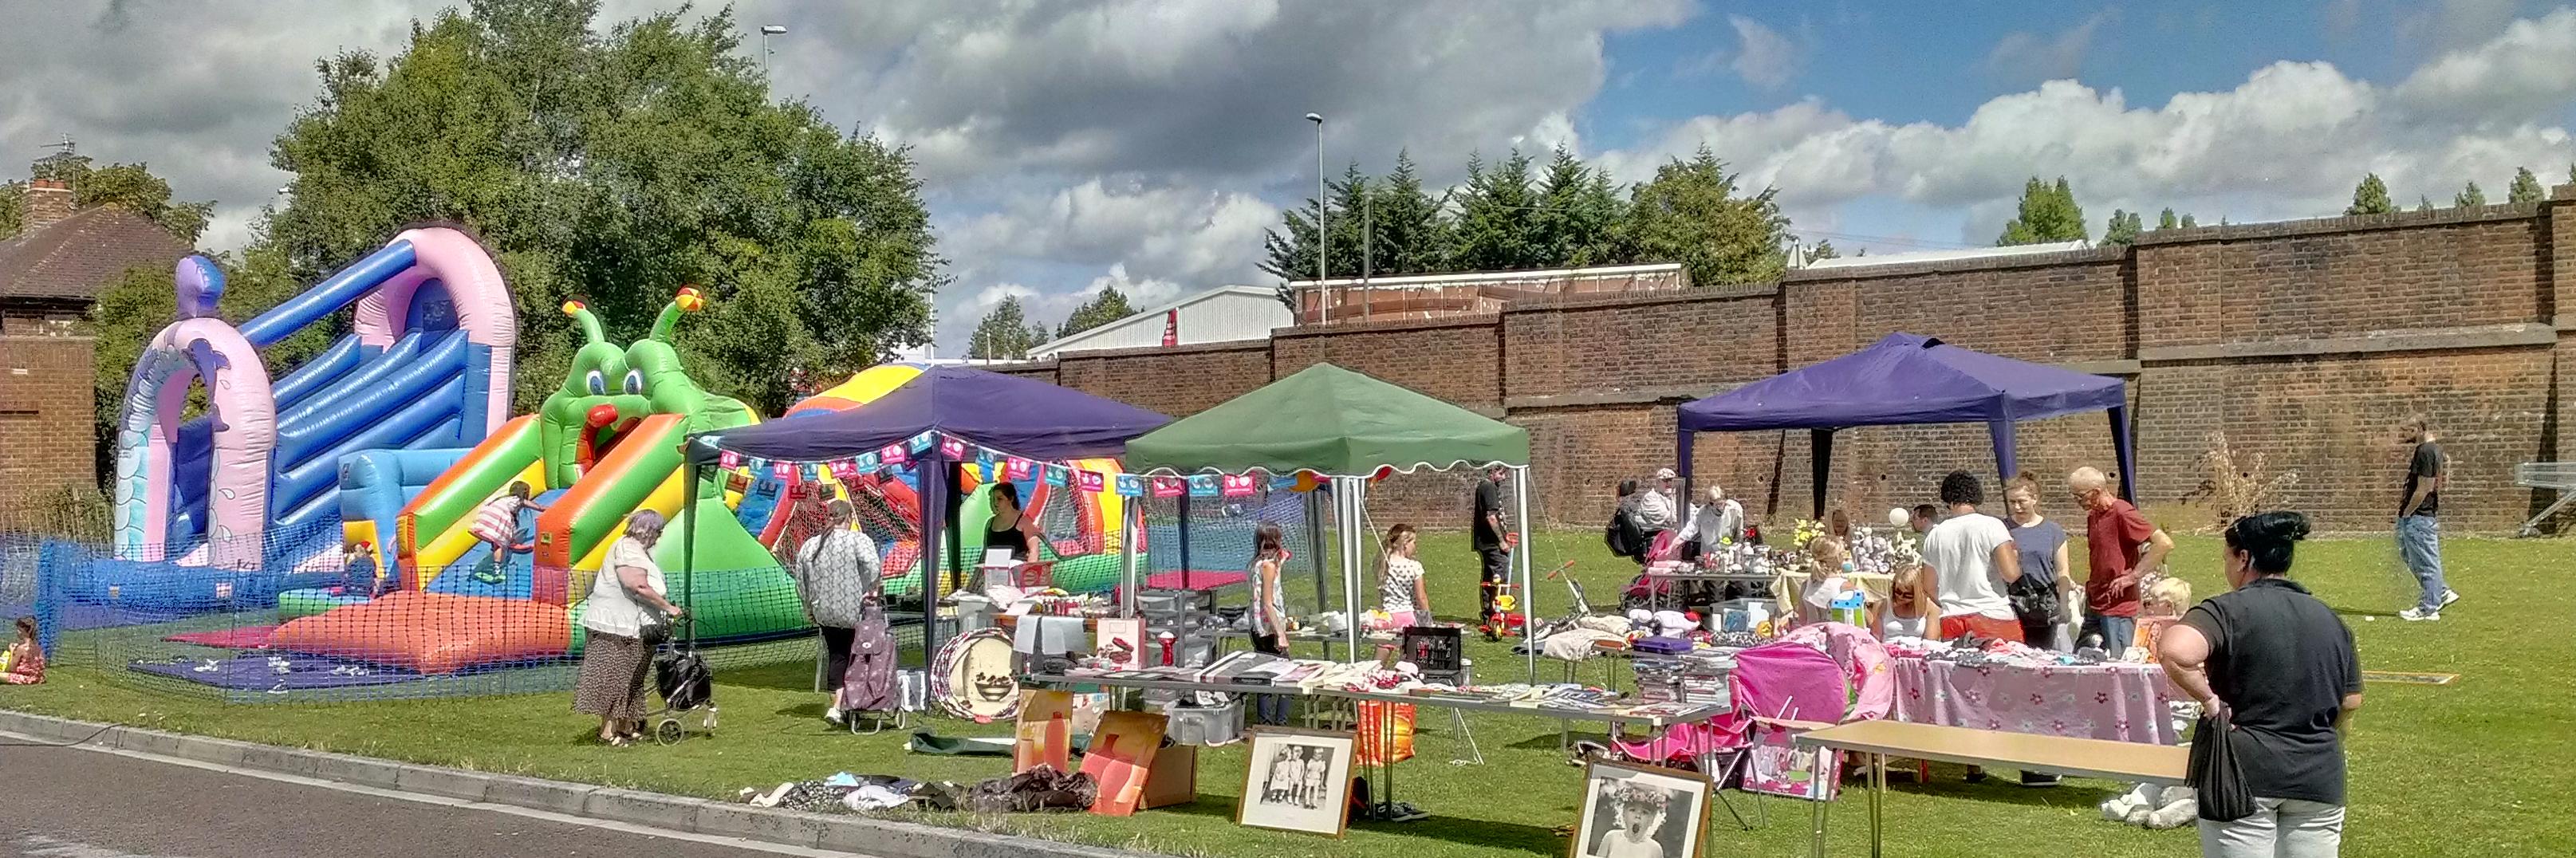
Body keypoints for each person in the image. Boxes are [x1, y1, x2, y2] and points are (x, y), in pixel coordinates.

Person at [2160, 512, 2361, 858]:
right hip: (2318, 776)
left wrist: (2209, 701)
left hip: (2242, 773)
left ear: (2243, 558)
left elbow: (2175, 652)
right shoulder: (2330, 618)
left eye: (2226, 558)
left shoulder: (2224, 611)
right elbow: (2350, 701)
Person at [573, 511, 686, 745]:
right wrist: (669, 608)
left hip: (635, 629)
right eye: (658, 532)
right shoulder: (627, 549)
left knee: (632, 679)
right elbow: (637, 586)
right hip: (616, 627)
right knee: (615, 679)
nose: (659, 537)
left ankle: (627, 725)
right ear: (648, 531)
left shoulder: (638, 551)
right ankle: (607, 732)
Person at [794, 499, 881, 725]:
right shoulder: (859, 540)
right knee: (857, 655)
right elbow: (873, 567)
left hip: (824, 611)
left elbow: (801, 581)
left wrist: (808, 608)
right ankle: (848, 704)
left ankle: (837, 707)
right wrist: (870, 589)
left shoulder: (811, 545)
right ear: (849, 518)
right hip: (854, 610)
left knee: (836, 655)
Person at [2069, 466, 2174, 652]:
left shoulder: (2123, 513)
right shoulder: (2093, 515)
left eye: (2080, 496)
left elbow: (2164, 543)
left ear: (2096, 492)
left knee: (2119, 660)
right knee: (2083, 656)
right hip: (2095, 601)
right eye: (2073, 496)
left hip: (2118, 606)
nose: (2076, 501)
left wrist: (2133, 577)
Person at [1920, 470, 2023, 642]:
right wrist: (2016, 556)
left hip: (1952, 618)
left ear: (1948, 500)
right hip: (1992, 614)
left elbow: (1929, 586)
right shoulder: (1992, 525)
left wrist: (1952, 603)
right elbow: (2011, 574)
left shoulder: (1934, 535)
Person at [2003, 474, 2078, 651]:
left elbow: (2062, 571)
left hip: (2044, 606)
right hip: (2011, 604)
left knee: (2041, 656)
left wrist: (2064, 604)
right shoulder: (2001, 528)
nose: (2017, 507)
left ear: (2034, 499)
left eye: (2021, 501)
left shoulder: (2053, 531)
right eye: (2012, 502)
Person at [2394, 415, 2458, 621]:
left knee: (2426, 562)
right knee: (2410, 555)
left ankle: (2429, 607)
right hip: (2419, 516)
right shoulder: (2434, 450)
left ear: (2419, 428)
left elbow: (2425, 487)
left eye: (2407, 430)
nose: (2404, 435)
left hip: (2419, 516)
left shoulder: (2426, 451)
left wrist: (2408, 512)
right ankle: (2441, 591)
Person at [1247, 523, 1291, 725]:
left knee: (1264, 674)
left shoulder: (1257, 564)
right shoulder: (1268, 567)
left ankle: (1264, 721)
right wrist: (1280, 633)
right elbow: (1267, 603)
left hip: (1257, 628)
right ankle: (1279, 722)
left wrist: (1280, 561)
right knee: (1287, 677)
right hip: (1269, 629)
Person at [468, 482, 546, 581]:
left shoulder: (504, 498)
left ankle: (499, 543)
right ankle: (496, 571)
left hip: (488, 514)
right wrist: (554, 510)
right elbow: (540, 508)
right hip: (500, 515)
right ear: (525, 492)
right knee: (500, 543)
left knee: (496, 538)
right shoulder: (520, 500)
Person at [1471, 464, 1512, 626]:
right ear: (1492, 472)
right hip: (1491, 543)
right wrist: (1501, 541)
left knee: (1490, 577)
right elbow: (1491, 517)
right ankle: (1497, 614)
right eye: (1501, 473)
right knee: (1499, 577)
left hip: (1487, 542)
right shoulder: (1488, 488)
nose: (1504, 477)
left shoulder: (1485, 486)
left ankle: (1490, 614)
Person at [1676, 484, 1746, 558]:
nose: (1719, 508)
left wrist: (1733, 549)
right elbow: (1691, 528)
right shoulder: (1704, 511)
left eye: (1721, 504)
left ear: (1725, 500)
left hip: (1727, 554)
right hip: (1708, 554)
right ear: (1710, 503)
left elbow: (1739, 536)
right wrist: (1676, 543)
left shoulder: (1735, 510)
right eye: (1714, 504)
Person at [1378, 524, 1431, 622]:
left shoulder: (1382, 565)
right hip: (1407, 616)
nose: (1415, 546)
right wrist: (1428, 620)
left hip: (1387, 617)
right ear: (1405, 544)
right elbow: (1421, 598)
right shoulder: (1414, 566)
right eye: (1414, 543)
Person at [984, 482, 1041, 563]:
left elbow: (1034, 552)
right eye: (993, 499)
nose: (995, 503)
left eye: (1000, 499)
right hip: (994, 568)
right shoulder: (990, 522)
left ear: (1011, 499)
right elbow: (985, 551)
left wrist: (1029, 569)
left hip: (1017, 568)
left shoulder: (1025, 521)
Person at [1635, 468, 1680, 535]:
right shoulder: (1650, 498)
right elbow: (1668, 519)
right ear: (1658, 482)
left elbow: (1690, 510)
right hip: (1655, 535)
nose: (1669, 483)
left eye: (1672, 480)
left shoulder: (1672, 496)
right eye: (1665, 480)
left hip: (1670, 532)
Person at [2, 617, 44, 685]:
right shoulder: (38, 648)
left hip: (23, 678)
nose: (17, 632)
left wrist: (12, 651)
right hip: (36, 678)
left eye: (19, 629)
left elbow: (11, 669)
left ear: (23, 631)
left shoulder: (21, 648)